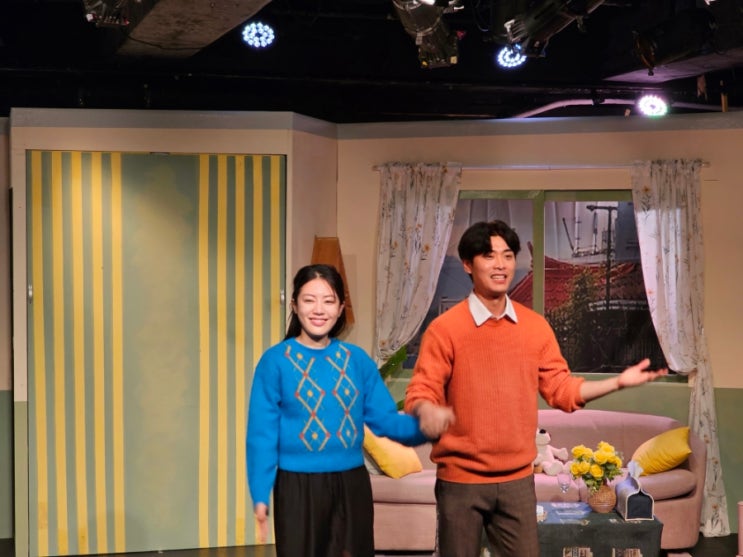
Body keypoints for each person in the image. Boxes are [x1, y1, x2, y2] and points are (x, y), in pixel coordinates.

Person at [404, 220, 668, 557]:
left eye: (507, 255)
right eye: (489, 256)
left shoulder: (535, 328)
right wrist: (425, 410)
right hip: (460, 481)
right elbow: (421, 391)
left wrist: (616, 382)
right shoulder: (445, 329)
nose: (500, 265)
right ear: (468, 264)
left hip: (517, 479)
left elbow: (562, 390)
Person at [247, 263, 427, 557]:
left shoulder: (357, 360)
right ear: (294, 305)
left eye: (329, 301)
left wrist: (426, 427)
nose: (319, 310)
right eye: (309, 300)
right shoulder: (275, 361)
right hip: (296, 487)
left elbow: (385, 419)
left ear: (341, 307)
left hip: (351, 484)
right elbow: (261, 434)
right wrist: (260, 493)